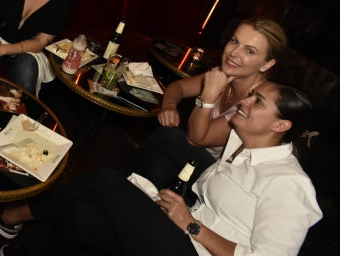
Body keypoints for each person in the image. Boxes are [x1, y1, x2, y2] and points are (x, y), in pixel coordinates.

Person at [0, 82, 322, 255]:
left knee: (104, 181)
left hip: (194, 249)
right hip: (184, 232)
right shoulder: (241, 141)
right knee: (80, 215)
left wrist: (191, 224)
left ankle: (12, 215)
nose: (244, 101)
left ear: (281, 126)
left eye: (258, 101)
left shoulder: (290, 185)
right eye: (251, 94)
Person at [123, 18, 288, 194]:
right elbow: (178, 87)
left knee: (167, 135)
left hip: (220, 175)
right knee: (159, 169)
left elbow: (196, 139)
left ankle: (119, 186)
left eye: (249, 51)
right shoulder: (223, 73)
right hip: (190, 157)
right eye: (234, 41)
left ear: (267, 64)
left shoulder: (254, 103)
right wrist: (169, 105)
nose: (233, 53)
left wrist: (208, 95)